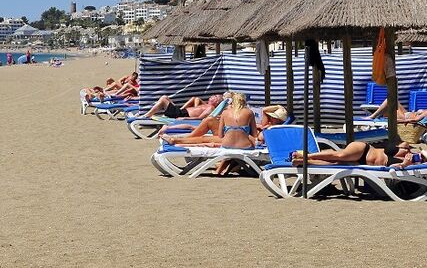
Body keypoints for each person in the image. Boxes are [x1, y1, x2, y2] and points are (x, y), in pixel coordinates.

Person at [164, 93, 258, 175]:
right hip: (245, 144)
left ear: (233, 102)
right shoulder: (249, 112)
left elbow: (221, 135)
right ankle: (179, 140)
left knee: (205, 138)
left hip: (228, 144)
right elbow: (255, 135)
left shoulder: (225, 112)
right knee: (208, 127)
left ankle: (177, 140)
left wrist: (230, 131)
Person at [291, 142, 426, 168]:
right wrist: (406, 147)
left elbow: (393, 169)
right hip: (364, 150)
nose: (420, 157)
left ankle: (302, 161)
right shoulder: (404, 150)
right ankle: (306, 155)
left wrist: (404, 164)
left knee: (334, 164)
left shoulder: (408, 166)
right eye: (422, 155)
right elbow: (397, 145)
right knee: (339, 156)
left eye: (423, 159)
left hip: (361, 163)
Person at [141, 94, 223, 119]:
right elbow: (195, 98)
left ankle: (146, 116)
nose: (212, 96)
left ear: (217, 102)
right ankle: (148, 114)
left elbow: (200, 118)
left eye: (215, 97)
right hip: (181, 111)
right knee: (165, 97)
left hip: (181, 115)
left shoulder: (211, 108)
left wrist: (185, 118)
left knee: (163, 99)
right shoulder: (205, 104)